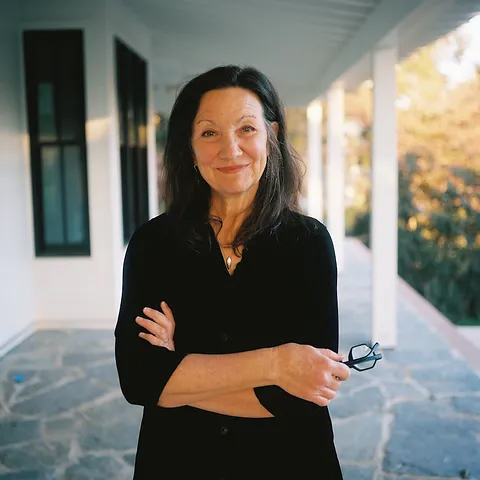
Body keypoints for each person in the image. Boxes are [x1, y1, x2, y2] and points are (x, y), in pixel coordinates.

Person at [114, 65, 351, 479]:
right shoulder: (153, 245)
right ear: (188, 145)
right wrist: (278, 363)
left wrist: (180, 369)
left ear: (271, 136)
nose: (230, 149)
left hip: (289, 462)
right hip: (178, 461)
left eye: (246, 129)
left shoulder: (308, 244)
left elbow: (303, 395)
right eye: (208, 132)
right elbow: (139, 379)